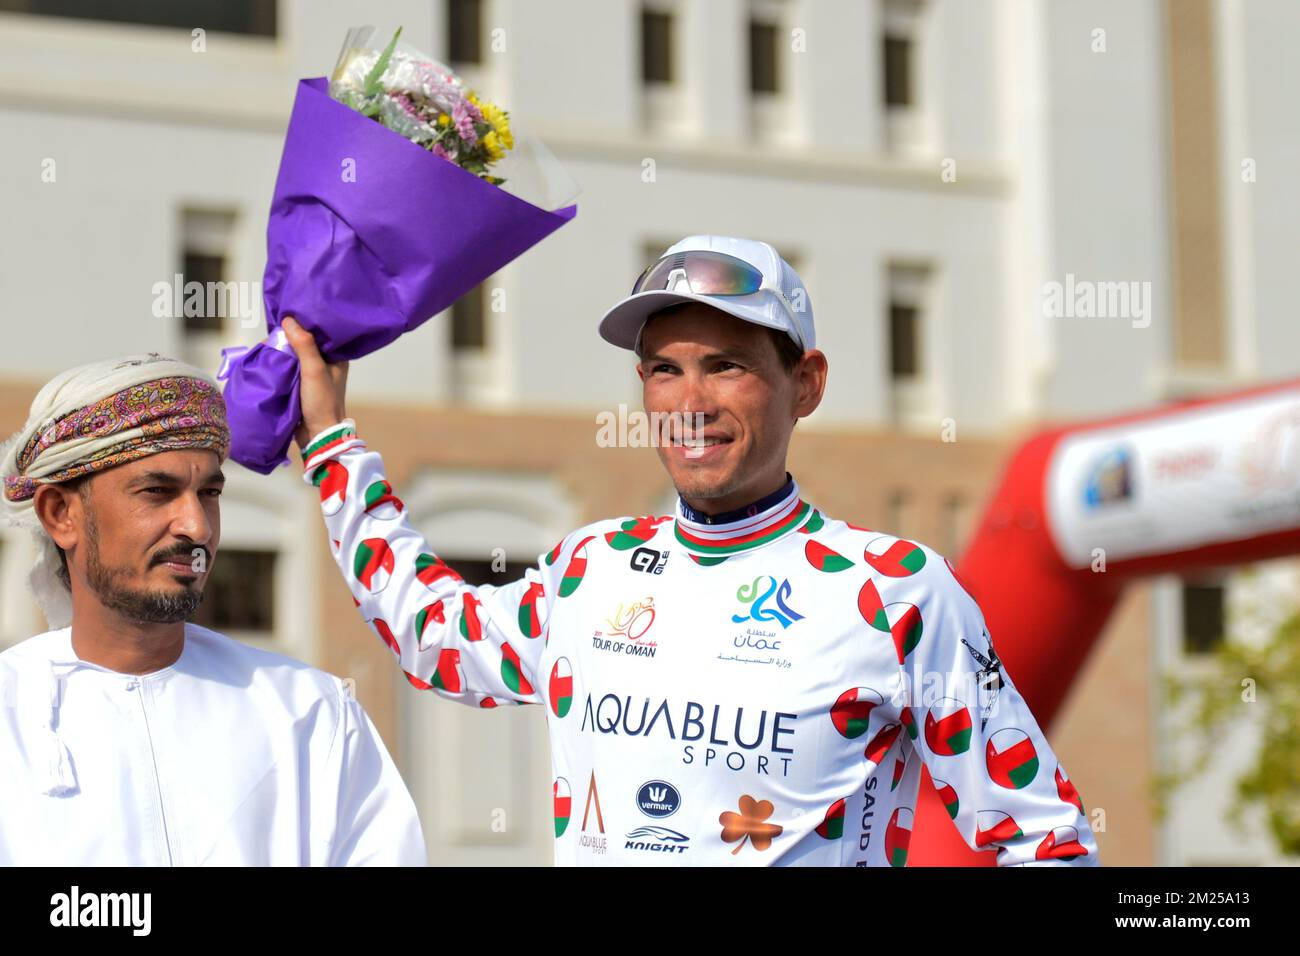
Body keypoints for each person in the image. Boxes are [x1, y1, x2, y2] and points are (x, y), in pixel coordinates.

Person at [285, 234, 1100, 866]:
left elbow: (1047, 840)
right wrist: (333, 447)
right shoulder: (590, 568)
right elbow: (435, 634)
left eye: (727, 366)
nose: (690, 402)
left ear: (806, 384)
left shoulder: (896, 592)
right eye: (664, 370)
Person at [0, 353, 426, 866]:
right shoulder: (12, 712)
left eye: (210, 494)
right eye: (157, 492)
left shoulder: (308, 713)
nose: (196, 527)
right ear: (61, 514)